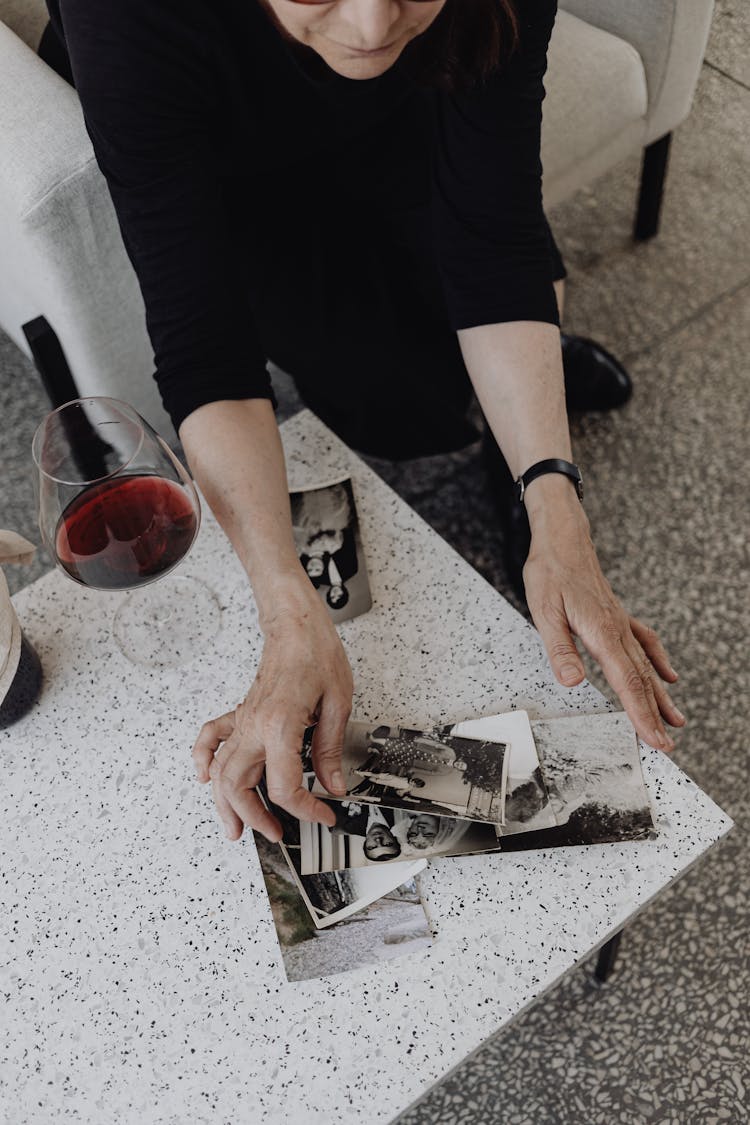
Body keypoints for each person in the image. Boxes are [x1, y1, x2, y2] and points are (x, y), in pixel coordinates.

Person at [40, 1, 685, 846]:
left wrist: (555, 499)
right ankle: (487, 408)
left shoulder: (422, 21)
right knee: (377, 391)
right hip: (218, 128)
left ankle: (518, 444)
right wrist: (287, 606)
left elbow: (495, 237)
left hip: (413, 96)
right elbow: (205, 345)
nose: (374, 21)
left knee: (478, 322)